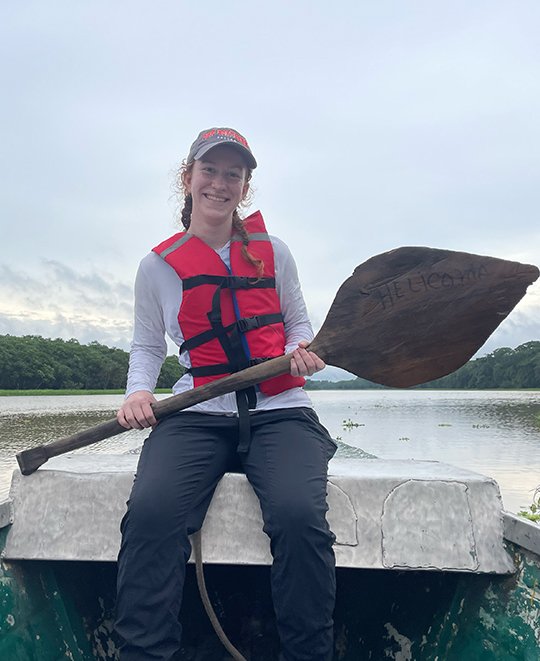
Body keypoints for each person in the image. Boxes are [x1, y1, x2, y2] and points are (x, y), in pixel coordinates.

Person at [115, 127, 337, 661]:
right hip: (196, 410)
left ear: (245, 186)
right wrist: (138, 392)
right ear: (188, 178)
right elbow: (147, 346)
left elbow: (297, 324)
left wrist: (301, 348)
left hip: (280, 410)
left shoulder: (274, 252)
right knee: (150, 514)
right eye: (209, 171)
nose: (220, 182)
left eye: (232, 174)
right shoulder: (156, 268)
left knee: (298, 516)